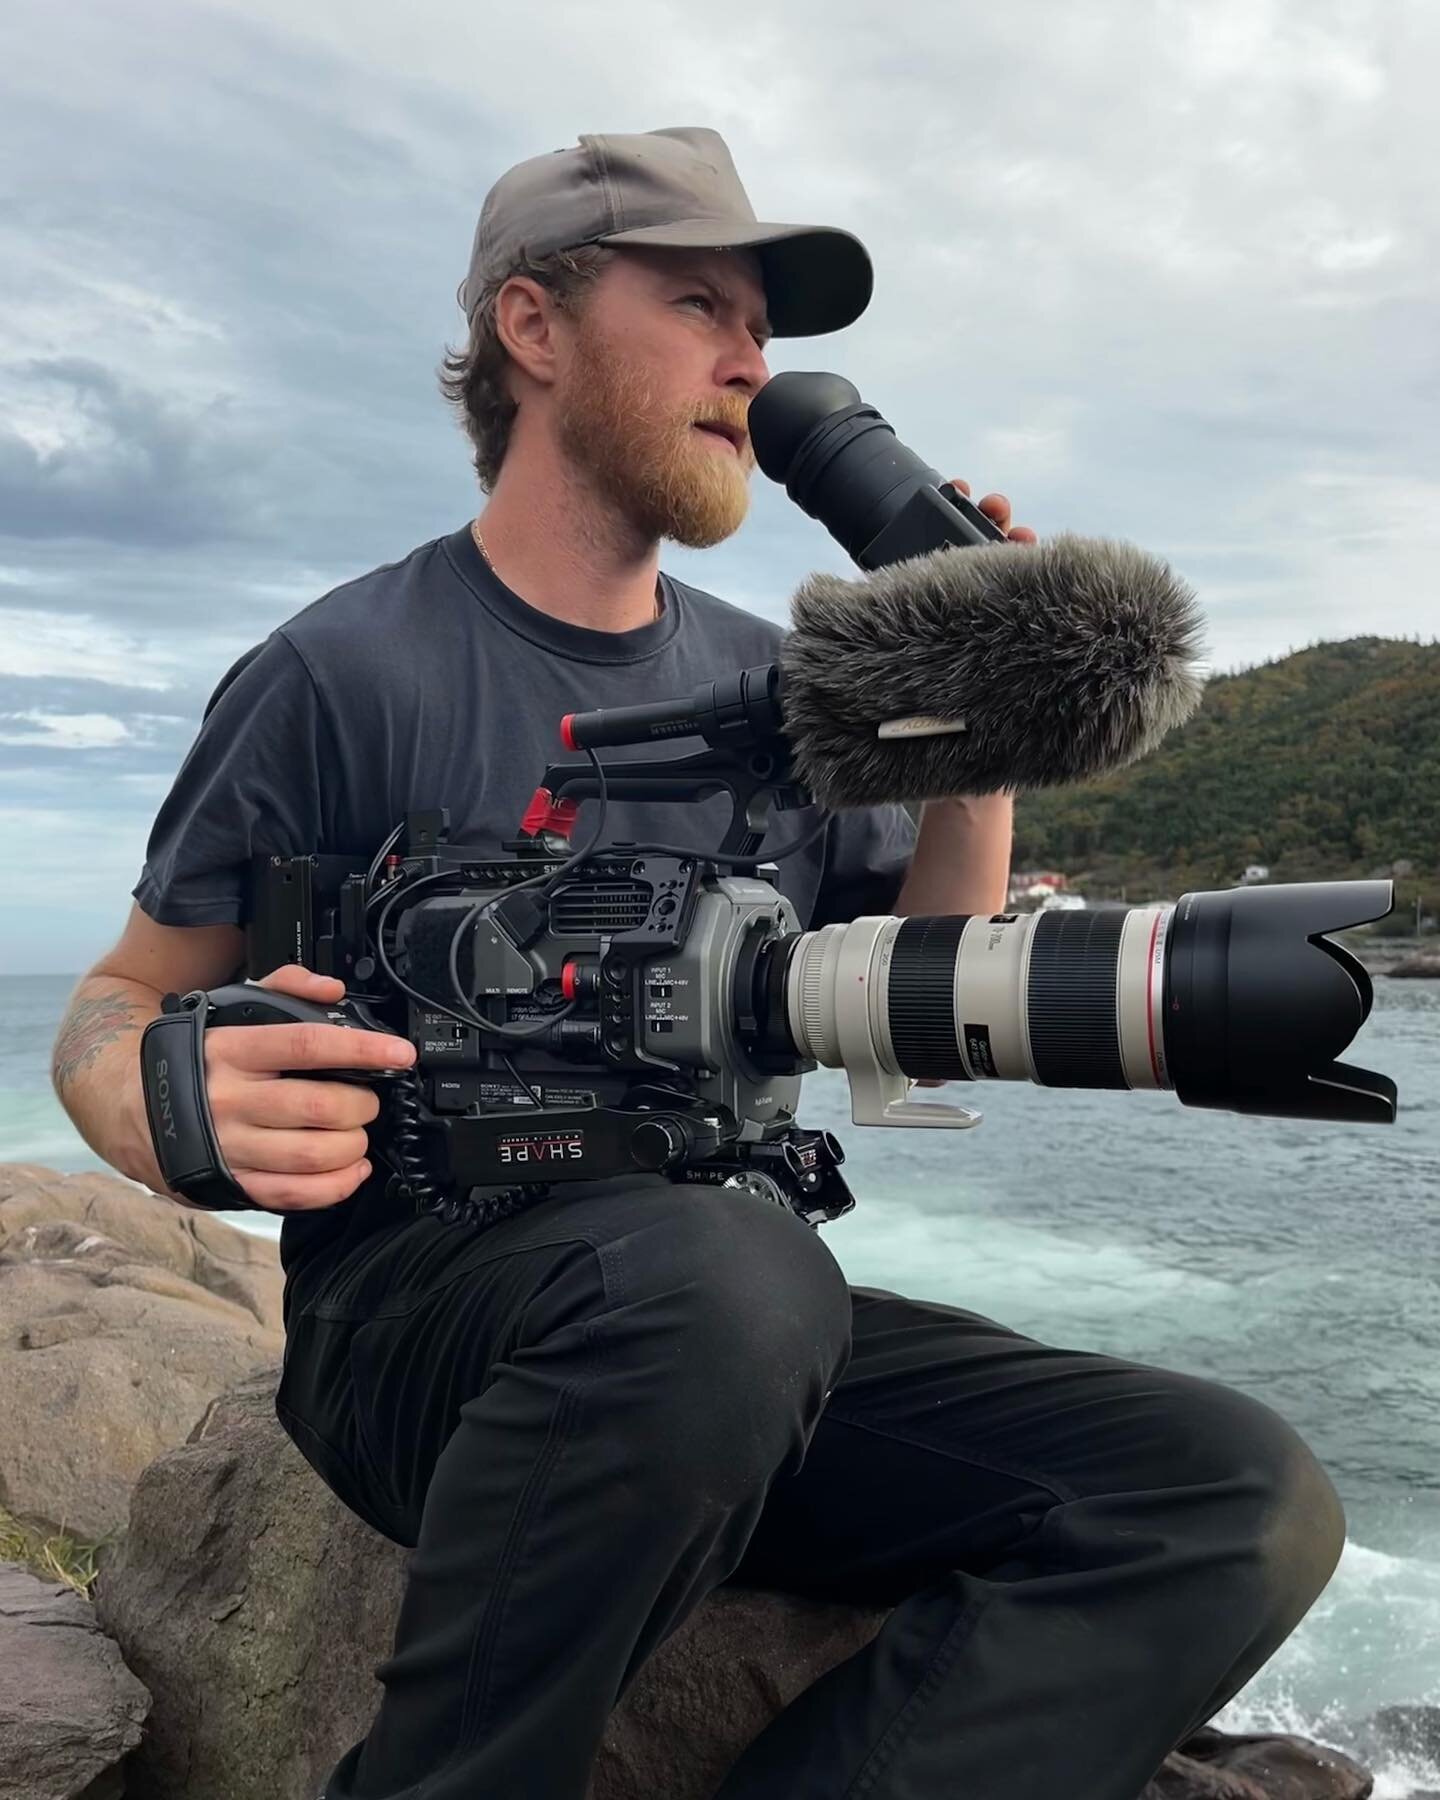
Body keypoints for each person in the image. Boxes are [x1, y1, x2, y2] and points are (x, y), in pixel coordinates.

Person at [52, 127, 1344, 1800]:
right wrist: (165, 1095)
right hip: (429, 1319)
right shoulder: (340, 668)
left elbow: (927, 989)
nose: (754, 365)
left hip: (740, 1327)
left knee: (1230, 1491)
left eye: (765, 329)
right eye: (699, 306)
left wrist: (977, 719)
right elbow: (122, 993)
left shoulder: (793, 681)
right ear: (534, 327)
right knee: (725, 1290)